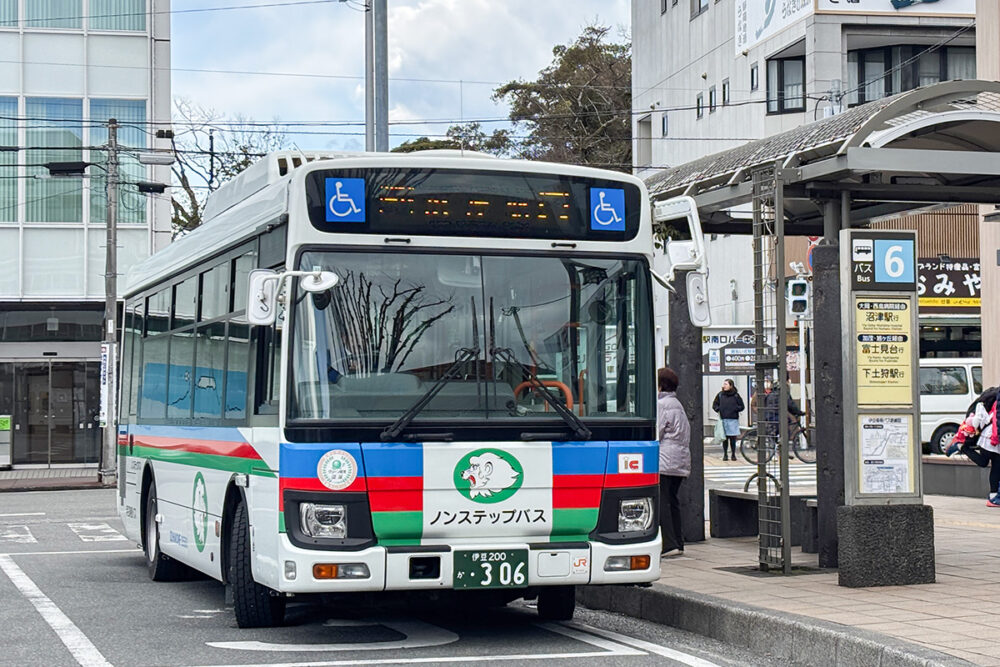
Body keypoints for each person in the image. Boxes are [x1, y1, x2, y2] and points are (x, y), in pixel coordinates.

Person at [945, 386, 1000, 506]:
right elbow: (995, 420)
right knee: (985, 462)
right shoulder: (996, 402)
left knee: (996, 466)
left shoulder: (994, 400)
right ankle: (960, 447)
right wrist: (995, 438)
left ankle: (993, 496)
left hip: (993, 436)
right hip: (990, 437)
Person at [657, 367, 691, 557]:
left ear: (661, 384)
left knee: (663, 502)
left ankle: (669, 544)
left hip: (665, 459)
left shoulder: (662, 405)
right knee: (672, 501)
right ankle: (678, 541)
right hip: (680, 459)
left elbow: (658, 431)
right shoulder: (677, 404)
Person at [712, 379, 744, 461]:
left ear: (731, 385)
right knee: (724, 438)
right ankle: (725, 454)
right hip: (724, 419)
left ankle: (733, 454)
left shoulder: (736, 396)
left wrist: (735, 409)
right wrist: (719, 409)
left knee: (733, 438)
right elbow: (714, 404)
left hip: (733, 420)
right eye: (724, 384)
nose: (724, 386)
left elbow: (742, 406)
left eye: (726, 384)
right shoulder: (720, 395)